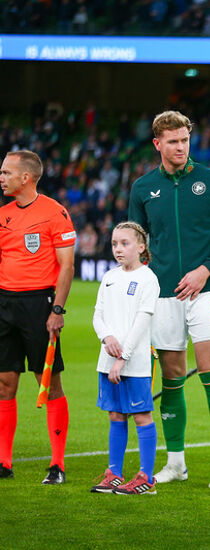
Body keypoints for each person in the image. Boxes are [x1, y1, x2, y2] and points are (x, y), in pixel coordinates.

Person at [129, 110, 210, 488]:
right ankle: (175, 462)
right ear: (158, 144)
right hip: (163, 295)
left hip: (206, 289)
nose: (180, 147)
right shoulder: (143, 188)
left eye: (185, 140)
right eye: (173, 141)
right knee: (173, 376)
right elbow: (136, 239)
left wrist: (205, 270)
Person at [0, 150, 74, 484]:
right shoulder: (2, 215)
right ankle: (4, 462)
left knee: (49, 381)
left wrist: (56, 309)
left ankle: (57, 464)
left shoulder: (55, 213)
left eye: (6, 172)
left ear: (25, 178)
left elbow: (67, 266)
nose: (1, 177)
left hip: (39, 304)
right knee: (4, 383)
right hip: (4, 304)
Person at [90, 222, 160, 495]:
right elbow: (98, 314)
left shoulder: (147, 279)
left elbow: (143, 321)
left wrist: (123, 357)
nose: (118, 248)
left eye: (125, 243)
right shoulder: (109, 276)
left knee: (142, 415)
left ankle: (147, 478)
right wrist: (106, 337)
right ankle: (114, 474)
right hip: (107, 359)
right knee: (115, 414)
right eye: (114, 244)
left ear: (141, 247)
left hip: (136, 361)